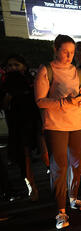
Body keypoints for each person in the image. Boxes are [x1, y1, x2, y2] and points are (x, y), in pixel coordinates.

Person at [34, 34, 81, 229]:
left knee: (76, 164)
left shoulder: (79, 72)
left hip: (78, 123)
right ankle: (61, 211)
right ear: (55, 49)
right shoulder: (46, 70)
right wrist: (63, 102)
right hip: (56, 125)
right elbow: (40, 101)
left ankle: (74, 198)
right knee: (60, 167)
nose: (69, 56)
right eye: (65, 51)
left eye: (72, 52)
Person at [1, 54, 43, 201]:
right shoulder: (5, 83)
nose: (13, 68)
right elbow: (4, 105)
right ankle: (32, 187)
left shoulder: (31, 80)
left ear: (23, 66)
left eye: (16, 65)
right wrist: (9, 95)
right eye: (10, 65)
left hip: (35, 122)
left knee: (45, 152)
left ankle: (57, 183)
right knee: (24, 157)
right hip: (18, 125)